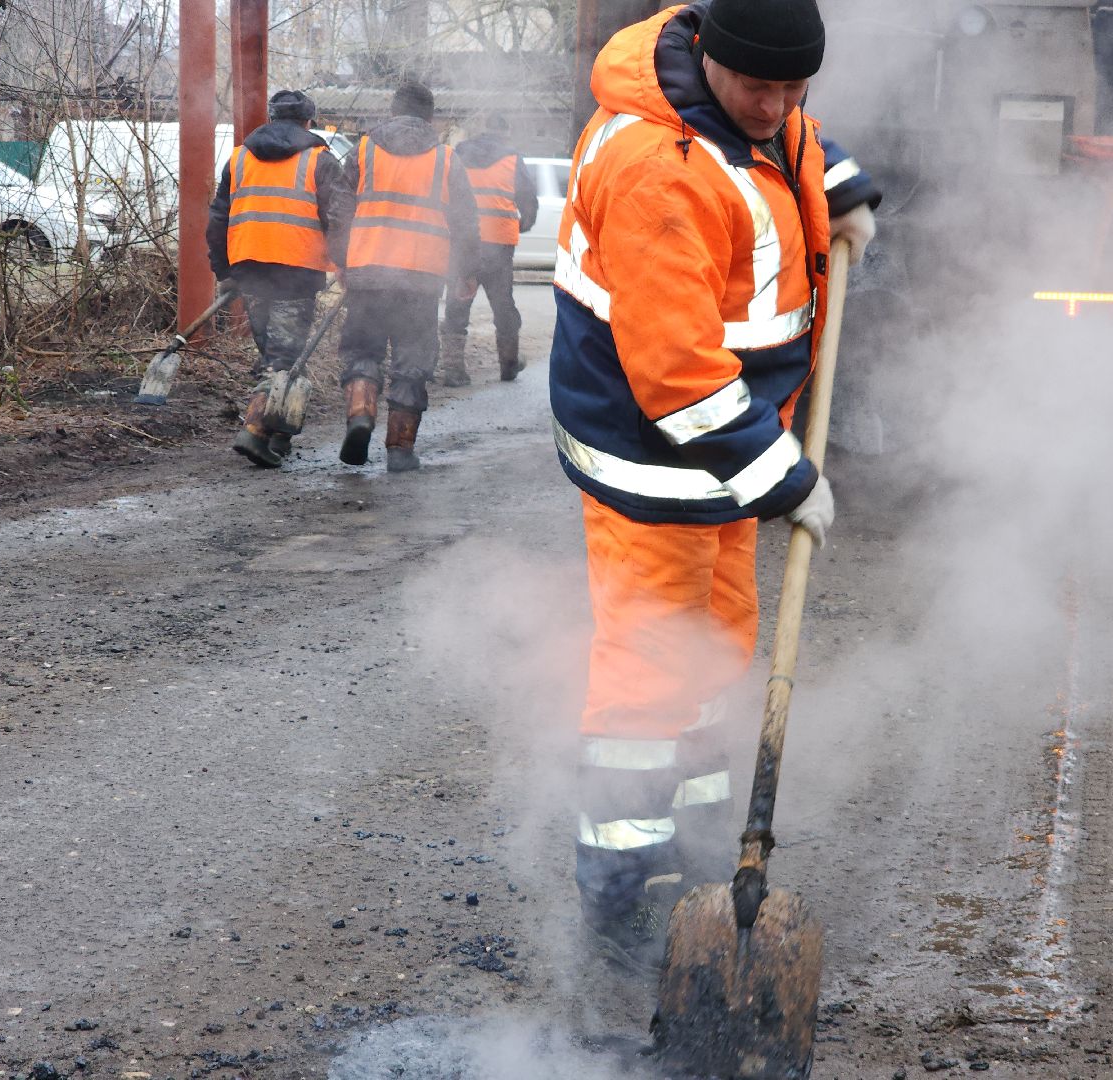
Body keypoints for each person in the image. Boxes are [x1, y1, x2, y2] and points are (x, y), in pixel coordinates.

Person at [548, 0, 880, 974]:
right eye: (761, 88)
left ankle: (693, 853)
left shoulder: (751, 110)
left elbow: (791, 145)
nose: (779, 106)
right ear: (709, 62)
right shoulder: (658, 167)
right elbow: (676, 371)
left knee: (718, 647)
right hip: (652, 455)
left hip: (725, 455)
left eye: (796, 89)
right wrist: (781, 477)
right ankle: (617, 898)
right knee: (648, 679)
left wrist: (842, 186)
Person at [330, 81, 480, 473]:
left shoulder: (362, 151)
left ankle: (361, 414)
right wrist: (466, 273)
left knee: (363, 351)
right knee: (413, 358)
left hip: (368, 270)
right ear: (430, 118)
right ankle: (399, 448)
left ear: (392, 113)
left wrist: (342, 261)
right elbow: (465, 224)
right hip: (422, 277)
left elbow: (340, 211)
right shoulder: (447, 160)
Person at [208, 89, 345, 468]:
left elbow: (218, 217)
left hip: (250, 268)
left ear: (270, 117)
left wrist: (225, 270)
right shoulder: (320, 160)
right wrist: (346, 263)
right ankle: (254, 432)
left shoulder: (239, 158)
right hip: (296, 270)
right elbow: (340, 218)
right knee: (284, 358)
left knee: (272, 351)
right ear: (308, 122)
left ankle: (281, 432)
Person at [439, 114, 539, 386]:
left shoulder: (459, 154)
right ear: (505, 133)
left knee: (457, 304)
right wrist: (522, 225)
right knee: (503, 305)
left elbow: (445, 194)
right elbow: (528, 203)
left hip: (462, 243)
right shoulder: (512, 158)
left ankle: (453, 370)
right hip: (498, 244)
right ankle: (508, 364)